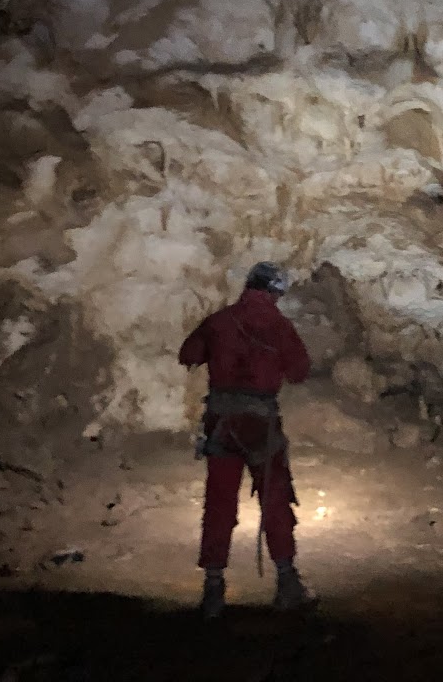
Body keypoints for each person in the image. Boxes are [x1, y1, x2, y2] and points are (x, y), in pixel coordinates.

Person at [178, 261, 314, 619]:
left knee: (219, 503)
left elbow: (188, 354)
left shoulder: (220, 321)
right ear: (274, 292)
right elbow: (299, 372)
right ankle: (287, 582)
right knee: (274, 498)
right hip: (260, 425)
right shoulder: (279, 326)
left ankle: (213, 590)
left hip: (222, 422)